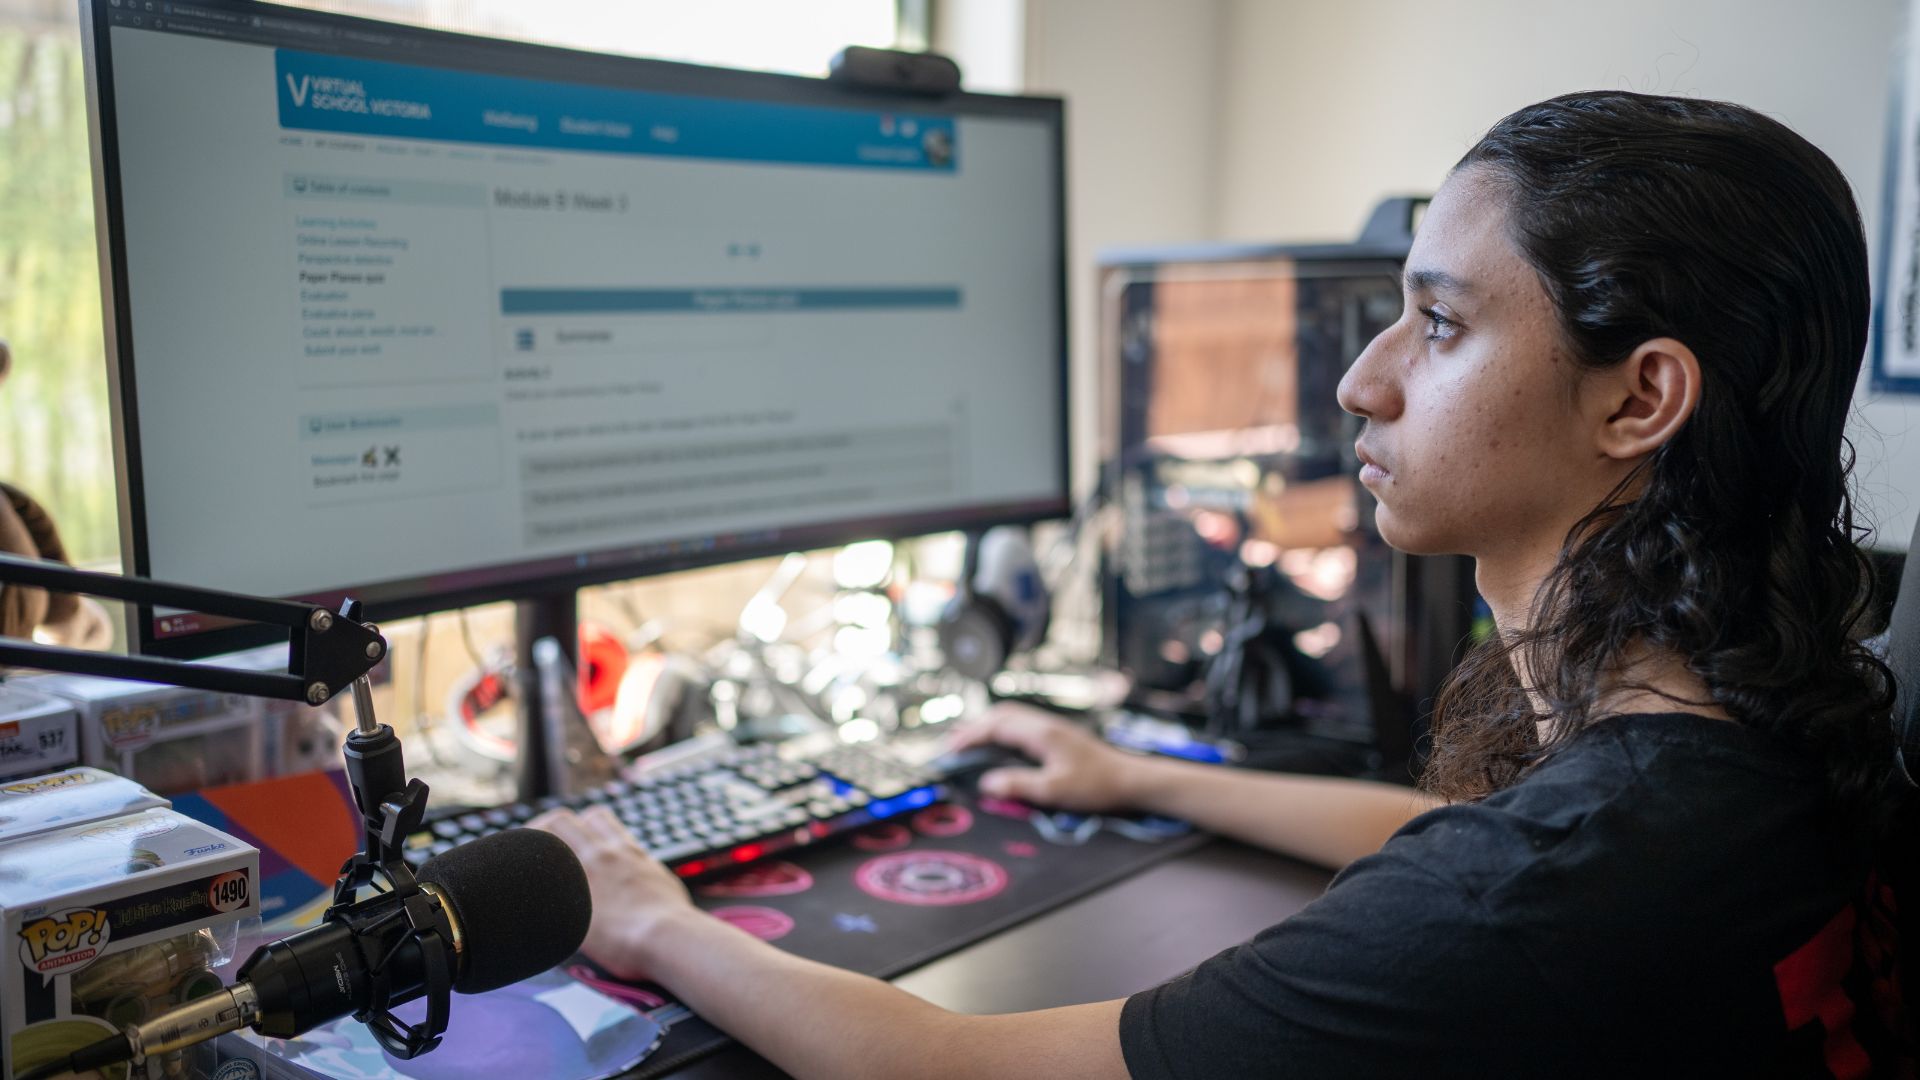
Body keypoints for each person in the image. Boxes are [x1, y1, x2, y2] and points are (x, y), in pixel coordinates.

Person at [533, 90, 1914, 1078]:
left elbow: (936, 1065)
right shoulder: (1755, 738)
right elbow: (1457, 863)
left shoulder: (1529, 899)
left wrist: (654, 920)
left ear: (1641, 401)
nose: (1359, 381)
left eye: (1438, 323)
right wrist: (1138, 776)